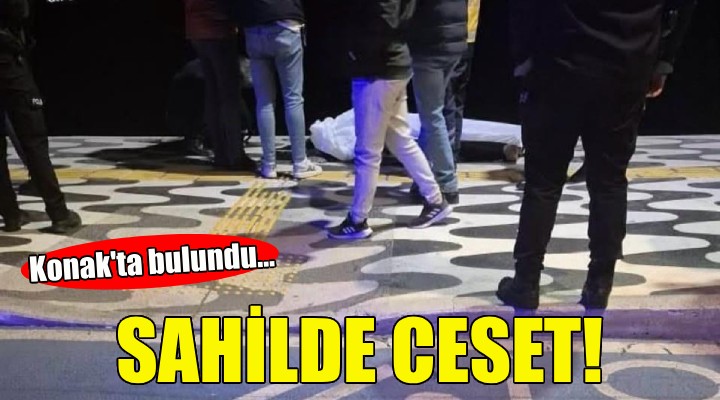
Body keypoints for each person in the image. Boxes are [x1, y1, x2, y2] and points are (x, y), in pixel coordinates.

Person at [496, 0, 695, 311]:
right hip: (627, 67)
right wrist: (663, 61)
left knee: (543, 183)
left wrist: (524, 59)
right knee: (609, 182)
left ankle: (526, 281)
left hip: (558, 65)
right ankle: (600, 283)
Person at [516, 0, 698, 189]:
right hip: (621, 56)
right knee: (606, 184)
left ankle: (568, 170)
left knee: (550, 184)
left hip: (569, 55)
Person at [328, 0, 453, 240]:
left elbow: (384, 20)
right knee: (400, 140)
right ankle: (435, 200)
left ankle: (357, 220)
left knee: (367, 151)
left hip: (377, 71)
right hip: (394, 63)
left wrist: (358, 52)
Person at [0, 0, 81, 233]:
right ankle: (59, 214)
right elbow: (19, 10)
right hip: (8, 62)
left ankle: (10, 215)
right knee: (34, 141)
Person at [240, 0, 322, 180]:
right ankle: (300, 163)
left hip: (254, 28)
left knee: (264, 101)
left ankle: (268, 164)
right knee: (293, 99)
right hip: (286, 25)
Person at [406, 0, 467, 205]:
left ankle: (447, 184)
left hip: (431, 43)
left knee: (432, 116)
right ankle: (423, 178)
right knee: (432, 114)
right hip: (454, 39)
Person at [184, 0, 256, 171]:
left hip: (197, 30)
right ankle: (235, 155)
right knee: (229, 96)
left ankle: (221, 154)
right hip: (218, 29)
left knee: (213, 94)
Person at [444, 0, 481, 161]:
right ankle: (451, 157)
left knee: (445, 104)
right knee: (455, 103)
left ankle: (445, 161)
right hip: (466, 39)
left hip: (451, 37)